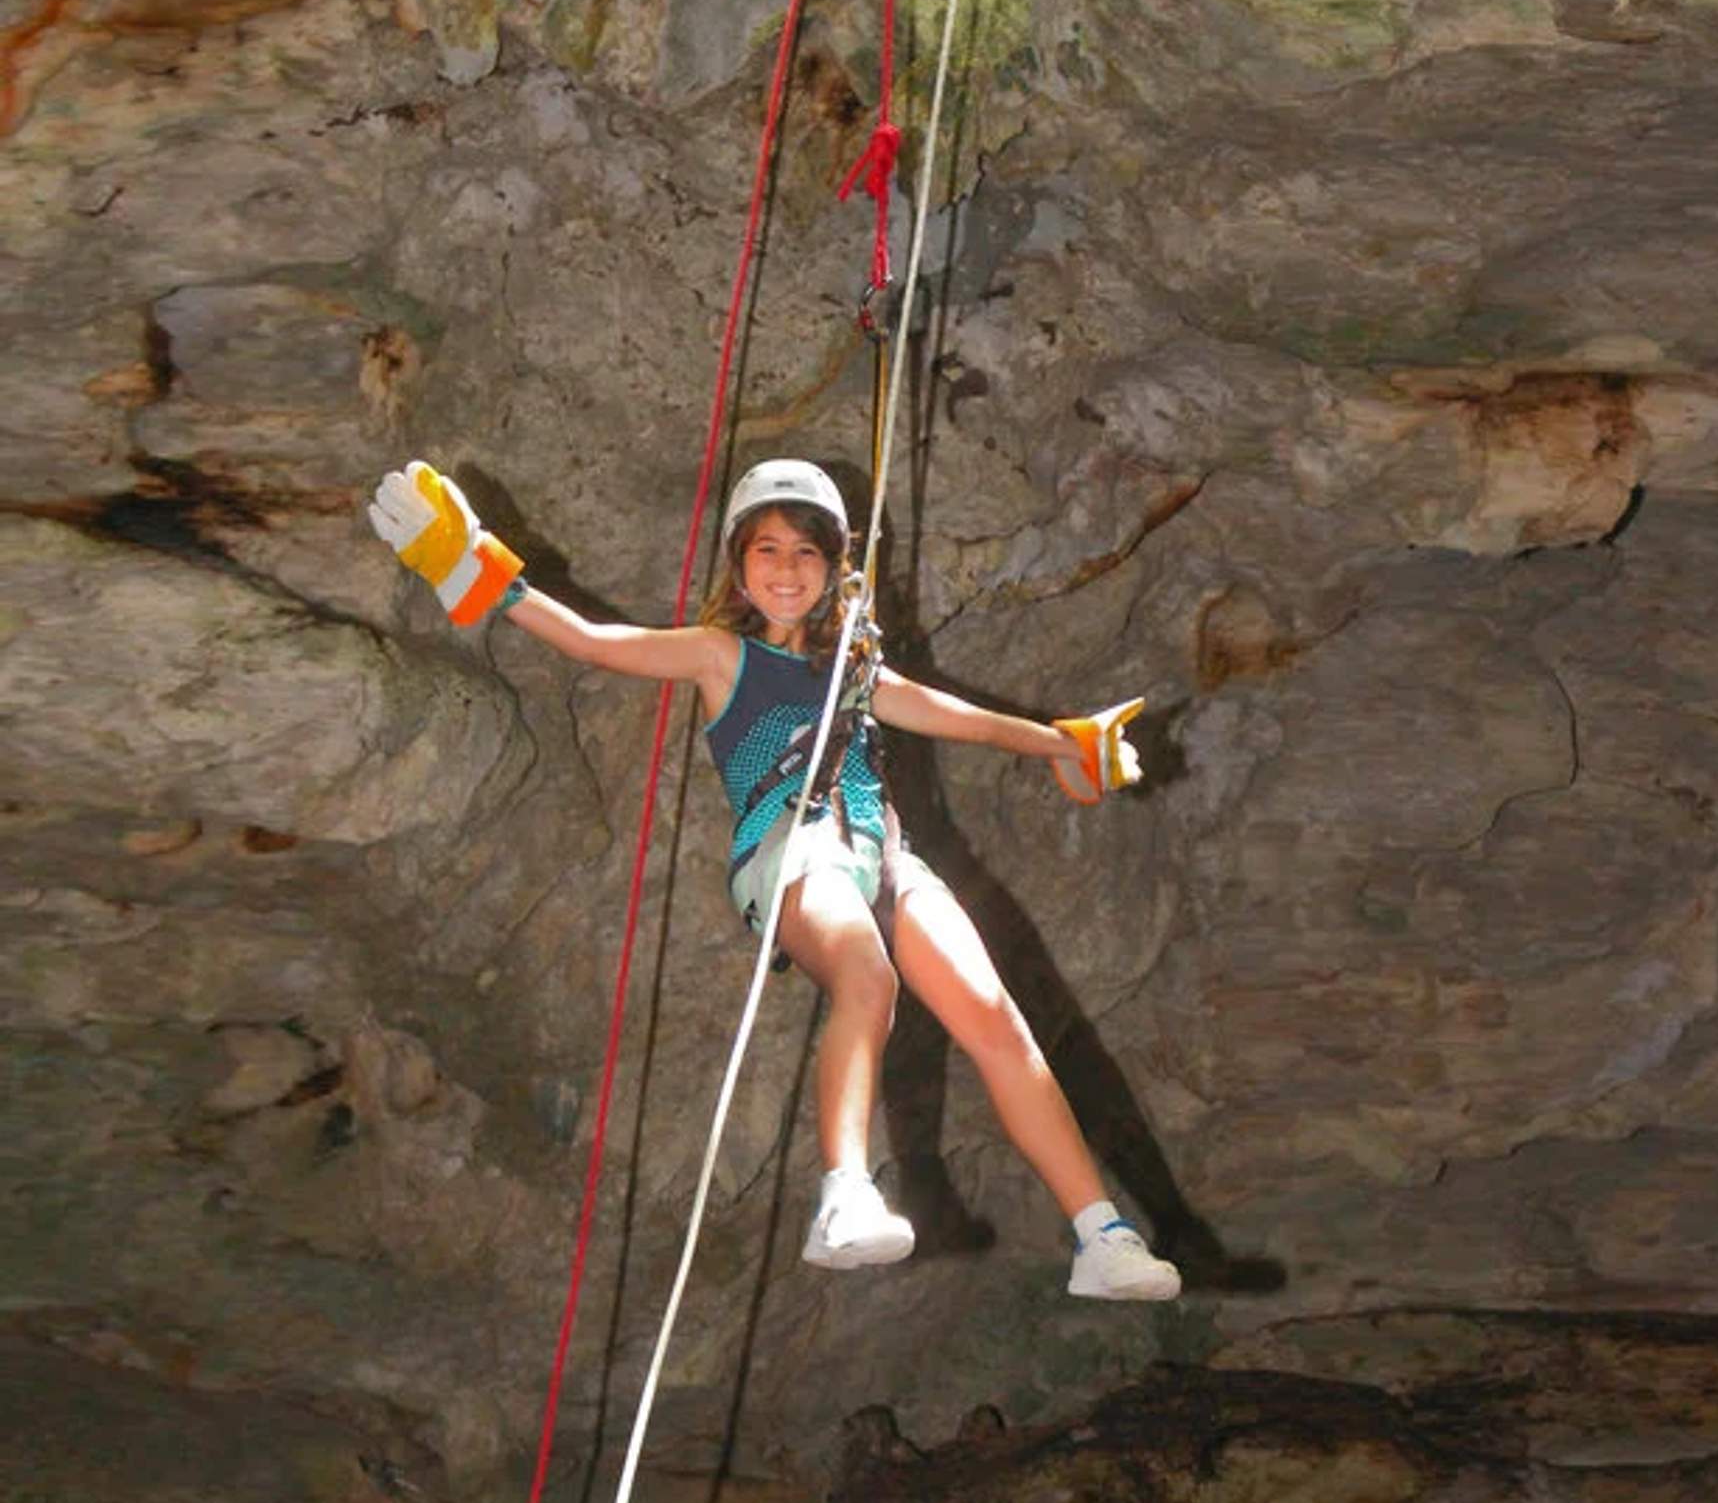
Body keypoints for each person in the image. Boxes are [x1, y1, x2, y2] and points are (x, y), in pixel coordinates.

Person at [368, 456, 1180, 1301]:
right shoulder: (722, 656)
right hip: (793, 852)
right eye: (768, 550)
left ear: (833, 569)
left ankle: (1101, 1235)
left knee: (993, 1015)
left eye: (806, 552)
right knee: (866, 976)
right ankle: (845, 1195)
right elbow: (596, 642)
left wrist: (1065, 744)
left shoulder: (856, 673)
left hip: (885, 857)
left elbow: (961, 719)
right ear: (739, 563)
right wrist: (473, 566)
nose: (787, 570)